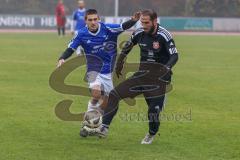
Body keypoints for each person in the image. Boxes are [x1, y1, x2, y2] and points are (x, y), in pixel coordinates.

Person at [94, 9, 179, 144]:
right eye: (142, 22)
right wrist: (120, 62)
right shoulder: (139, 33)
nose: (143, 25)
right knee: (114, 94)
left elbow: (175, 55)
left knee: (153, 111)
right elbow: (127, 46)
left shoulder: (164, 35)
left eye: (146, 23)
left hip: (159, 79)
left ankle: (151, 133)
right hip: (142, 75)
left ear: (155, 21)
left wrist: (166, 68)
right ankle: (104, 127)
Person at [57, 9, 141, 137]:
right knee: (96, 93)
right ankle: (89, 122)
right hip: (93, 69)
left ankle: (91, 122)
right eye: (90, 20)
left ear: (99, 19)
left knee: (106, 101)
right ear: (85, 21)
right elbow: (71, 48)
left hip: (109, 72)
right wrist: (62, 58)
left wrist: (134, 20)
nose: (93, 22)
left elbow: (123, 26)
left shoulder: (108, 29)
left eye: (95, 19)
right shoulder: (81, 34)